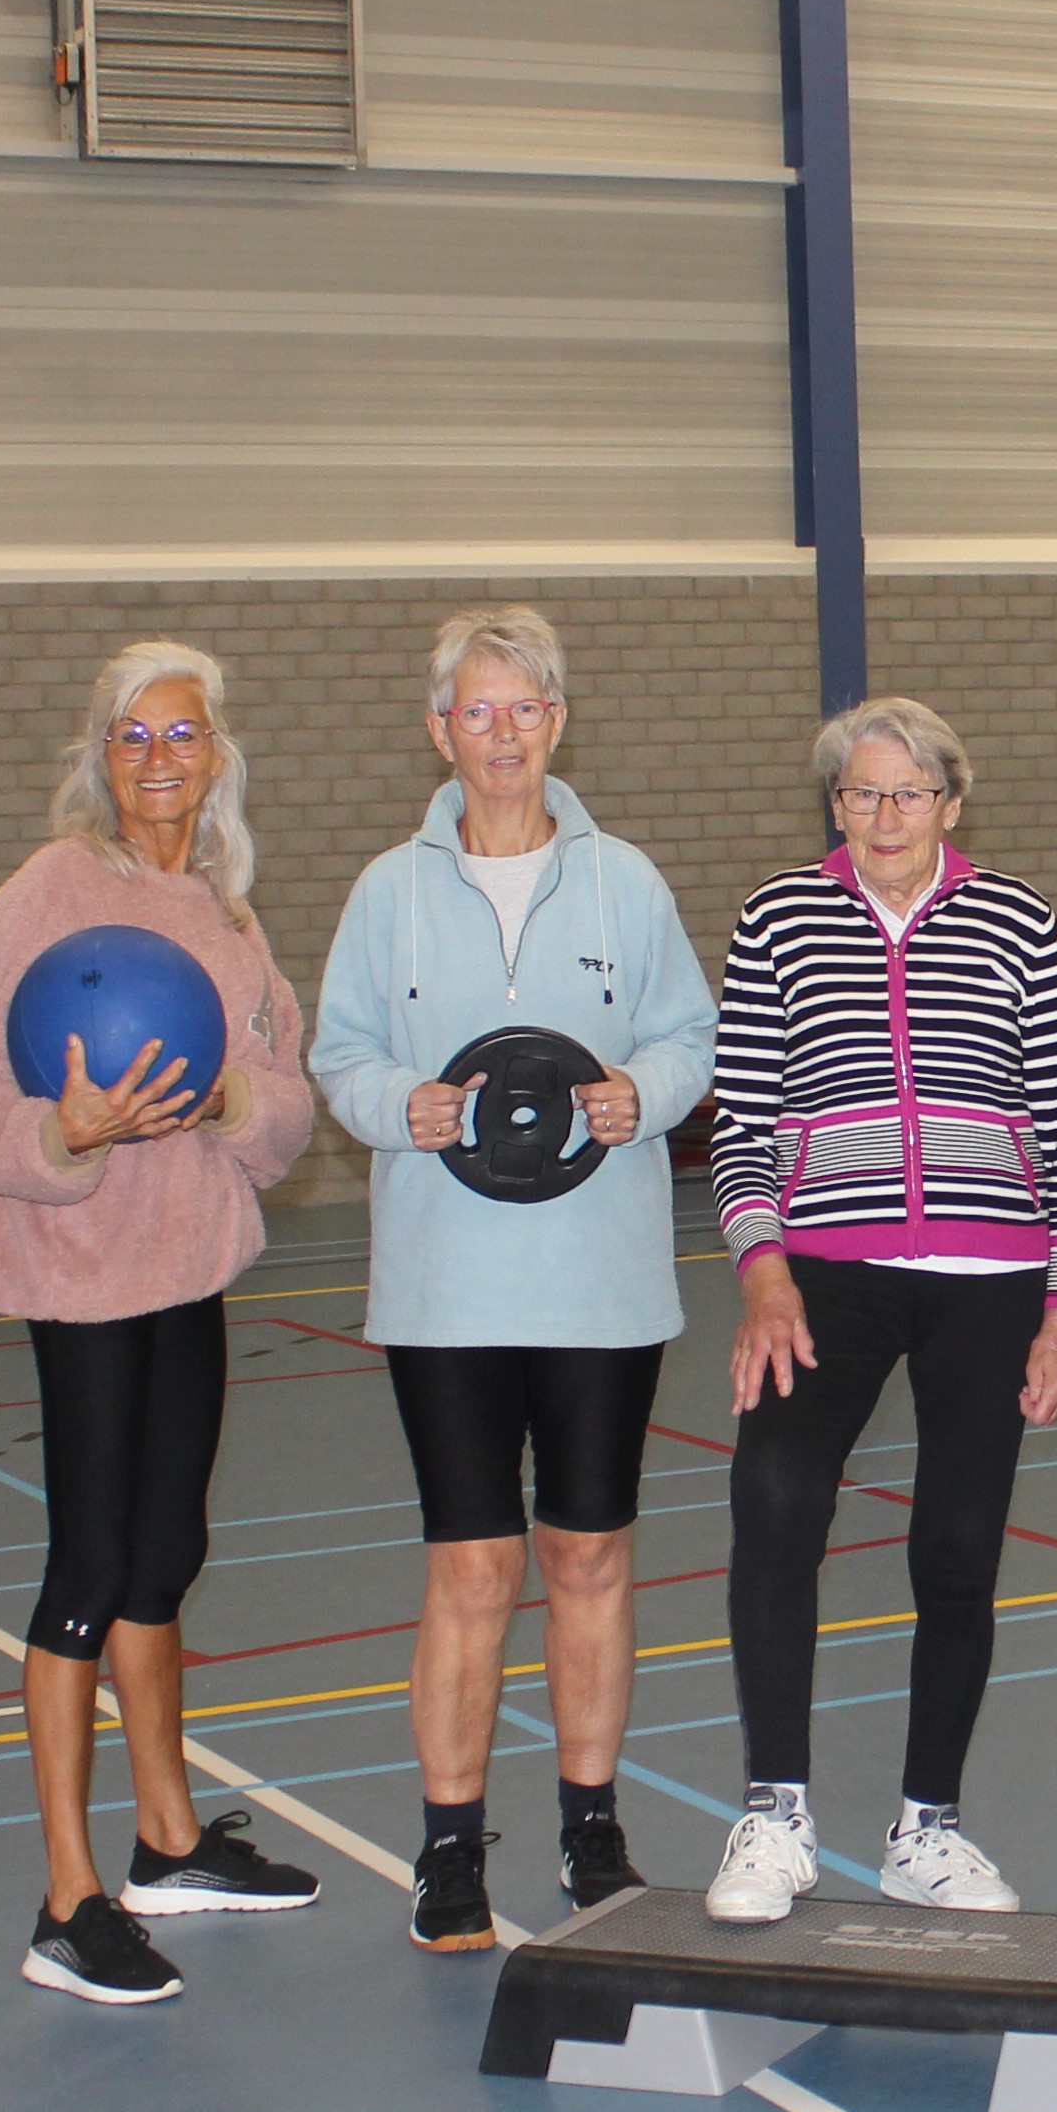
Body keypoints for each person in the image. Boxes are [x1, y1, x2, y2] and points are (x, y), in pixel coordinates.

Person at [311, 606, 716, 1954]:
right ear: (440, 729)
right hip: (447, 1293)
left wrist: (643, 1092)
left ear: (557, 722)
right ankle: (449, 1845)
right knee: (472, 1566)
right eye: (476, 711)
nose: (502, 734)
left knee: (588, 1553)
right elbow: (340, 1055)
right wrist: (399, 1107)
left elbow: (691, 1036)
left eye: (524, 708)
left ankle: (593, 1828)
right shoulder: (386, 893)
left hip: (601, 1286)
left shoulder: (626, 883)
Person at [0, 642, 322, 2006]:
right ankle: (68, 1899)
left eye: (183, 735)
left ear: (218, 753)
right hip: (82, 1269)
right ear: (99, 756)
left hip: (188, 1266)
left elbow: (284, 1106)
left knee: (168, 1553)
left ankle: (167, 1842)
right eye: (132, 736)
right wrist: (68, 1127)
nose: (159, 759)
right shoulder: (46, 893)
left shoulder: (227, 914)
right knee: (91, 1566)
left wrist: (230, 1104)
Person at [701, 699, 1057, 1922]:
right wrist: (763, 1270)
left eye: (909, 792)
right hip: (826, 1272)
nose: (885, 816)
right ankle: (774, 1812)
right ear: (836, 804)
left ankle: (928, 1826)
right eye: (862, 793)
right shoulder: (777, 918)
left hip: (991, 1277)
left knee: (960, 1548)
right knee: (775, 1497)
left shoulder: (1020, 922)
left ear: (950, 803)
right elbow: (742, 1126)